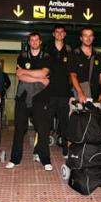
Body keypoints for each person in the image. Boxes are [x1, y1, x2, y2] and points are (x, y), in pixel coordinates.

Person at [6, 32, 53, 171]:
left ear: (40, 42)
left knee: (42, 130)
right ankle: (15, 159)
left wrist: (29, 72)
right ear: (29, 42)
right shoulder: (22, 56)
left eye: (36, 40)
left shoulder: (46, 56)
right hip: (22, 98)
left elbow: (44, 73)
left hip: (40, 99)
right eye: (31, 40)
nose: (33, 42)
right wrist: (39, 78)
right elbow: (21, 76)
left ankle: (45, 160)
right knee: (19, 129)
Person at [45, 24, 73, 156]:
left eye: (62, 32)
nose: (60, 34)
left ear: (65, 34)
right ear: (53, 34)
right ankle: (41, 151)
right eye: (57, 31)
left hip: (64, 93)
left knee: (65, 124)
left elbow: (72, 73)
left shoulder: (69, 50)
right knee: (45, 123)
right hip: (49, 93)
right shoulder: (47, 48)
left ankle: (66, 152)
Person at [69, 27, 101, 103]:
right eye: (85, 35)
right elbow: (73, 75)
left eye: (90, 36)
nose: (88, 38)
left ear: (93, 38)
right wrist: (80, 93)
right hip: (80, 96)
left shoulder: (99, 55)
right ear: (81, 38)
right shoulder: (74, 54)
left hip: (96, 96)